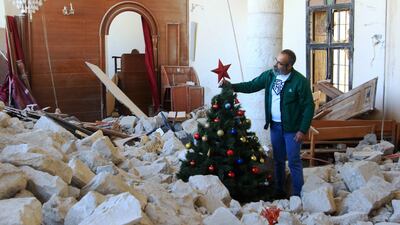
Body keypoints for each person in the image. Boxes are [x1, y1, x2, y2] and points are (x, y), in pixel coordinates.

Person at [229, 49, 315, 197]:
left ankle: (298, 195)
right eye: (276, 60)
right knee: (278, 161)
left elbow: (309, 106)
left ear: (289, 66)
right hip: (275, 127)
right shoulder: (270, 75)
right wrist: (232, 87)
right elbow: (251, 85)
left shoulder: (300, 81)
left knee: (294, 161)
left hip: (292, 130)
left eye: (280, 63)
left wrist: (303, 129)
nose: (276, 64)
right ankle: (279, 191)